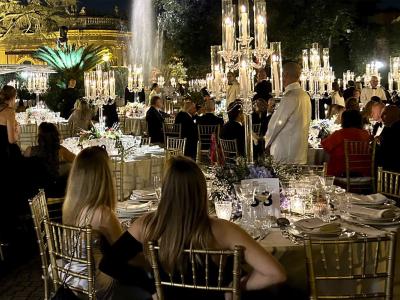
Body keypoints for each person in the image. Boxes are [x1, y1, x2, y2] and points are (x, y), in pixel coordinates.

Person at [100, 156, 286, 299]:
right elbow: (275, 274)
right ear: (201, 190)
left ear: (166, 190)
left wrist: (150, 284)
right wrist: (237, 285)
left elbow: (109, 263)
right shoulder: (224, 230)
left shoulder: (147, 225)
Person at [62, 146, 152, 300]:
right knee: (147, 280)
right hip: (96, 288)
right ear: (103, 178)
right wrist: (153, 260)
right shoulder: (103, 214)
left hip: (71, 280)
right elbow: (128, 257)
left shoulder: (72, 207)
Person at [264, 62, 311, 164]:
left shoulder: (290, 96)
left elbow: (277, 123)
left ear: (285, 75)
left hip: (285, 150)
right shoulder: (305, 95)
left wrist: (267, 142)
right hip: (300, 150)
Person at [23, 122, 74, 197]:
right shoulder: (61, 151)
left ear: (40, 137)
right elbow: (78, 159)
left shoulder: (29, 150)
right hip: (57, 191)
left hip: (36, 193)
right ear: (56, 136)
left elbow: (23, 171)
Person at [321, 110, 371, 177]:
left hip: (340, 172)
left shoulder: (339, 134)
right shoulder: (365, 134)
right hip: (363, 173)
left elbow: (325, 146)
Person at [376, 106, 400, 172]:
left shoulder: (390, 130)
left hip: (391, 170)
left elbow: (383, 151)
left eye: (384, 114)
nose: (381, 117)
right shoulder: (391, 127)